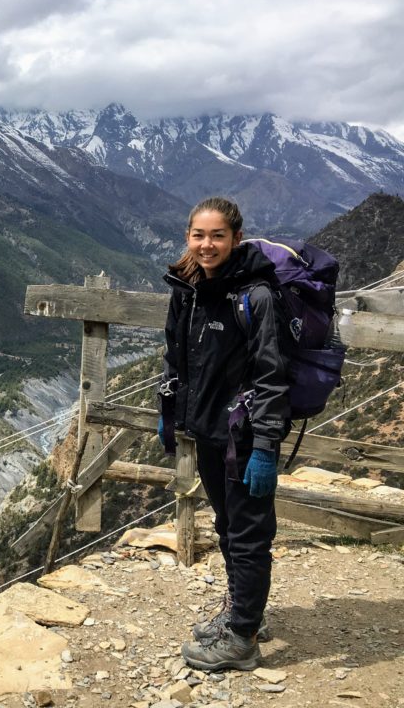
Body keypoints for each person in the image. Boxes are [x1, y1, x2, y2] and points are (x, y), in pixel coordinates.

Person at [157, 196, 290, 672]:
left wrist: (267, 447)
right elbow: (177, 360)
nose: (206, 245)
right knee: (228, 527)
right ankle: (242, 613)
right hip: (207, 431)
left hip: (245, 437)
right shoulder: (188, 289)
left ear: (236, 238)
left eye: (217, 236)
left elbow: (271, 377)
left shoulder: (254, 297)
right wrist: (169, 412)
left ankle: (243, 638)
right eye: (198, 235)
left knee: (250, 533)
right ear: (187, 237)